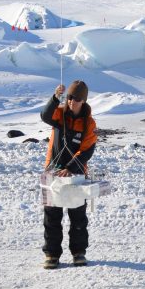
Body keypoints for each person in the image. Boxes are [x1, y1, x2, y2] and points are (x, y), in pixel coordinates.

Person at [40, 79, 97, 269]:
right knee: (52, 217)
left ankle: (78, 253)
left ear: (84, 101)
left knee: (78, 217)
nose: (73, 101)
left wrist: (71, 168)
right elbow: (45, 115)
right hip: (53, 171)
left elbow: (87, 149)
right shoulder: (59, 113)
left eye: (77, 98)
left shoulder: (89, 123)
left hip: (76, 174)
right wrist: (55, 98)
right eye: (71, 97)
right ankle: (52, 254)